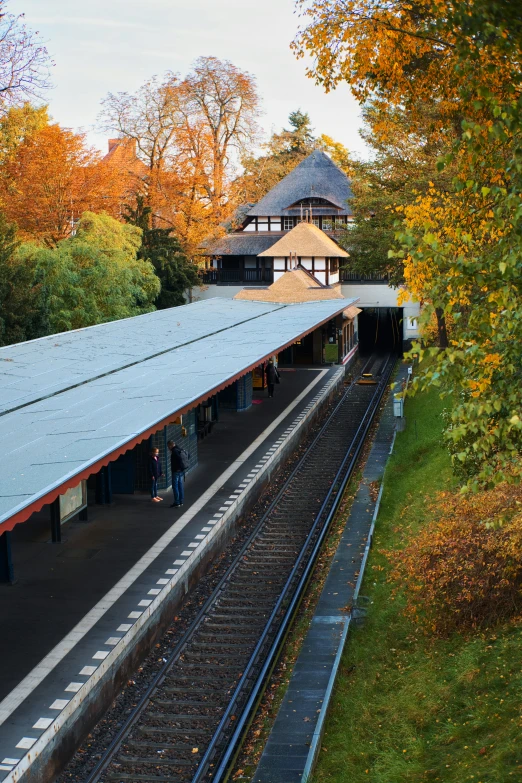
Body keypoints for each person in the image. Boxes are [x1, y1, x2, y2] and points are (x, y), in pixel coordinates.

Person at [168, 440, 189, 508]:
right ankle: (181, 501)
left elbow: (178, 459)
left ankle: (177, 502)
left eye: (168, 446)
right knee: (180, 485)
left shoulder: (174, 452)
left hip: (176, 471)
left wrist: (177, 467)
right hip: (181, 470)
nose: (168, 448)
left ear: (170, 445)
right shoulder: (180, 449)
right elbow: (188, 455)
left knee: (175, 486)